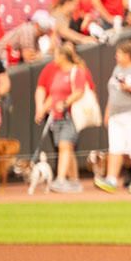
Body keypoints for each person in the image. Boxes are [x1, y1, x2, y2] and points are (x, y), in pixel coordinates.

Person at [95, 39, 131, 194]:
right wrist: (108, 111)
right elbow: (113, 93)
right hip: (116, 115)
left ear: (128, 55)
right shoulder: (117, 69)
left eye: (119, 53)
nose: (116, 56)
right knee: (115, 147)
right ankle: (111, 179)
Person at [36, 43, 90, 193]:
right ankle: (74, 181)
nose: (54, 58)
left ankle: (60, 179)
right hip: (57, 117)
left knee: (64, 146)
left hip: (70, 115)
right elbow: (53, 95)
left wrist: (66, 103)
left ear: (63, 56)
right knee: (67, 148)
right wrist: (42, 110)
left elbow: (79, 91)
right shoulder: (58, 73)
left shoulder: (76, 71)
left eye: (56, 55)